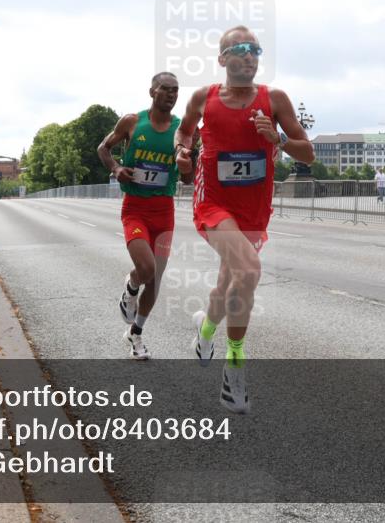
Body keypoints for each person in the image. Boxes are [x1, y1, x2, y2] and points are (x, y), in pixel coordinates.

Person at [175, 26, 314, 413]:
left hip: (254, 210)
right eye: (239, 49)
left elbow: (309, 155)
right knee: (250, 271)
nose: (248, 55)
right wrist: (181, 154)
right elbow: (184, 133)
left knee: (229, 286)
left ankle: (205, 331)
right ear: (222, 59)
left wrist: (278, 139)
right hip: (214, 204)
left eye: (254, 49)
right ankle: (234, 370)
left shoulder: (276, 99)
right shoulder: (204, 98)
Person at [97, 72, 183, 360]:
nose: (171, 95)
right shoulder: (133, 122)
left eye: (176, 91)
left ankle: (136, 334)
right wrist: (116, 169)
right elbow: (103, 148)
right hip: (135, 208)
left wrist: (188, 164)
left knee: (156, 279)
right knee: (145, 269)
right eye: (166, 89)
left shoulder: (183, 130)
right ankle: (131, 286)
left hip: (164, 210)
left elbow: (189, 172)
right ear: (152, 92)